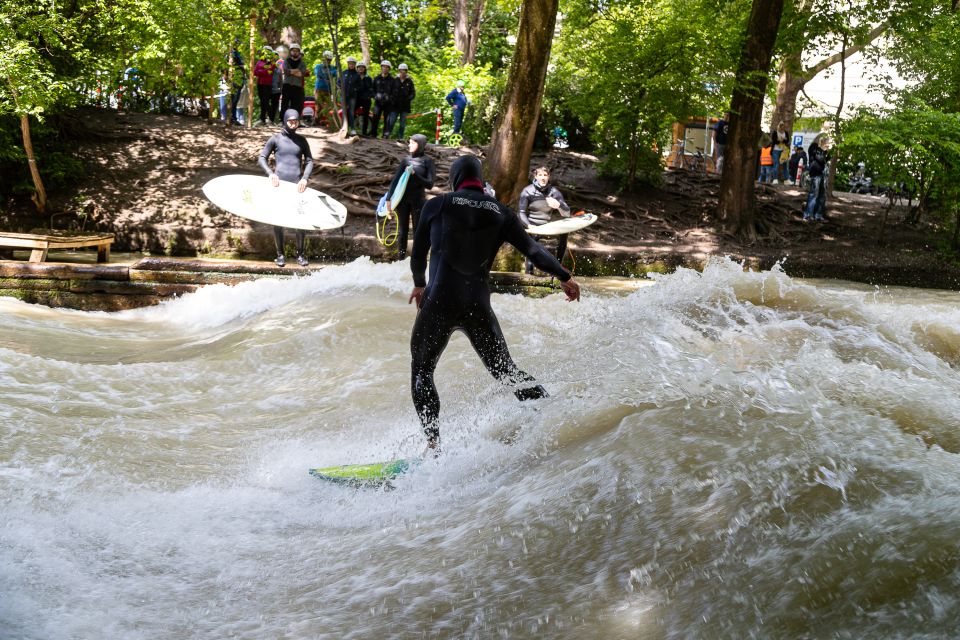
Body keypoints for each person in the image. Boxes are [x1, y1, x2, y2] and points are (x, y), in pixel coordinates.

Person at [408, 155, 581, 451]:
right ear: (479, 178)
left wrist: (420, 285)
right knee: (507, 372)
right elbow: (534, 250)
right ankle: (555, 418)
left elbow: (418, 254)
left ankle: (433, 444)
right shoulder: (501, 212)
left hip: (439, 301)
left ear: (455, 178)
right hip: (477, 306)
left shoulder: (438, 204)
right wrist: (564, 276)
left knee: (422, 371)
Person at [258, 109, 315, 266]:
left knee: (300, 221)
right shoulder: (275, 139)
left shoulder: (302, 140)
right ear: (285, 121)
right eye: (290, 121)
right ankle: (280, 255)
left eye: (295, 121)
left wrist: (305, 179)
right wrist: (270, 174)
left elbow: (310, 161)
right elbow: (262, 158)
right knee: (278, 220)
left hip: (297, 187)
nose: (293, 124)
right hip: (279, 186)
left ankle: (300, 255)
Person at [386, 134, 435, 259]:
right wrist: (388, 199)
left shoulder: (427, 161)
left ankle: (417, 259)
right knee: (402, 231)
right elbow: (395, 180)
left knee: (417, 231)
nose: (409, 145)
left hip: (418, 200)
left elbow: (430, 184)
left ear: (421, 145)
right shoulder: (405, 160)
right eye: (409, 142)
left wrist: (414, 174)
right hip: (403, 200)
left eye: (413, 143)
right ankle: (401, 259)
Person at [518, 166, 572, 274]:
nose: (543, 178)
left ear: (548, 177)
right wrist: (528, 225)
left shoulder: (554, 192)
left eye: (545, 175)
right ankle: (529, 272)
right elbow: (521, 213)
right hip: (533, 225)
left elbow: (567, 213)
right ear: (536, 176)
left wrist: (559, 205)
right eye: (540, 175)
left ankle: (558, 268)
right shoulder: (527, 191)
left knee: (565, 232)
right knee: (530, 240)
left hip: (549, 226)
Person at [803, 135, 830, 221]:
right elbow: (820, 159)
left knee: (822, 196)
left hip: (822, 174)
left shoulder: (822, 150)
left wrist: (827, 152)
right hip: (815, 173)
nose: (827, 143)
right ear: (820, 140)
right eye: (825, 141)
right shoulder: (814, 147)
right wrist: (824, 151)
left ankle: (818, 215)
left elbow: (826, 160)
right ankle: (807, 215)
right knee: (814, 194)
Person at [280, 43, 309, 115]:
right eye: (293, 50)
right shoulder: (286, 61)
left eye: (297, 51)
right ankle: (282, 120)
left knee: (295, 104)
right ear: (290, 52)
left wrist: (292, 71)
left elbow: (301, 74)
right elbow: (286, 72)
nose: (295, 52)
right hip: (287, 85)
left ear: (299, 52)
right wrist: (297, 70)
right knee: (284, 103)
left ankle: (294, 120)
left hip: (297, 86)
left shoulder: (302, 63)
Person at [253, 46, 278, 126]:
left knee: (265, 101)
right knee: (262, 102)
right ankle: (262, 119)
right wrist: (264, 70)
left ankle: (271, 119)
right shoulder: (259, 61)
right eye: (265, 51)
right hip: (259, 83)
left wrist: (262, 71)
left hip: (267, 84)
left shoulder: (272, 63)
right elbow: (255, 72)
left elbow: (270, 72)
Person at [371, 60, 396, 139]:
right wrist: (375, 96)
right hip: (378, 103)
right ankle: (373, 134)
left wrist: (390, 99)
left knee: (387, 120)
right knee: (375, 118)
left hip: (388, 104)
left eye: (387, 67)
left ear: (389, 69)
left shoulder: (392, 80)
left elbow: (395, 92)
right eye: (383, 67)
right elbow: (372, 90)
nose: (385, 68)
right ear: (381, 68)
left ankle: (385, 135)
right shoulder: (376, 78)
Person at [313, 51, 337, 128]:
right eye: (326, 59)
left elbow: (335, 74)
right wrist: (327, 75)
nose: (328, 61)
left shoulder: (333, 68)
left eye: (329, 60)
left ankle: (325, 121)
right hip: (319, 88)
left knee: (327, 106)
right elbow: (318, 74)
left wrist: (327, 74)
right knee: (318, 106)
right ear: (323, 59)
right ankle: (316, 121)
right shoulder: (318, 66)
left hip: (328, 90)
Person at [392, 63, 415, 140]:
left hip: (405, 106)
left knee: (402, 123)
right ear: (399, 71)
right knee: (391, 121)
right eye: (401, 71)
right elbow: (390, 91)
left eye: (404, 71)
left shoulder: (409, 81)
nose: (403, 72)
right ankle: (387, 136)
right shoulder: (394, 80)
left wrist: (409, 98)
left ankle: (400, 137)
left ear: (406, 71)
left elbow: (413, 93)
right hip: (395, 105)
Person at [340, 56, 361, 136]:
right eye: (350, 63)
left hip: (352, 97)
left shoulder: (357, 75)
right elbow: (339, 82)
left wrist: (355, 89)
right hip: (344, 96)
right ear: (348, 64)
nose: (351, 65)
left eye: (352, 64)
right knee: (344, 112)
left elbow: (360, 86)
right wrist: (340, 89)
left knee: (351, 113)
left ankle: (352, 128)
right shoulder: (344, 73)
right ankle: (343, 127)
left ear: (355, 64)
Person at [228, 43, 245, 125]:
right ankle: (232, 118)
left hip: (240, 79)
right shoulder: (232, 54)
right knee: (233, 100)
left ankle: (233, 118)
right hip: (234, 79)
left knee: (235, 100)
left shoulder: (239, 54)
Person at [270, 45, 286, 124]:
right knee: (266, 103)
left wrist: (281, 88)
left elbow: (281, 78)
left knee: (275, 105)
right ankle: (267, 119)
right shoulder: (268, 66)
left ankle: (273, 120)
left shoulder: (279, 66)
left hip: (277, 89)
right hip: (268, 88)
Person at [357, 61, 374, 136]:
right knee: (351, 113)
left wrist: (369, 96)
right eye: (359, 67)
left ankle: (364, 133)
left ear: (364, 68)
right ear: (357, 68)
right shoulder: (355, 77)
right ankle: (352, 129)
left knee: (366, 116)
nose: (361, 68)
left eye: (362, 67)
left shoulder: (368, 78)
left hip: (366, 100)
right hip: (357, 99)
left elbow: (372, 88)